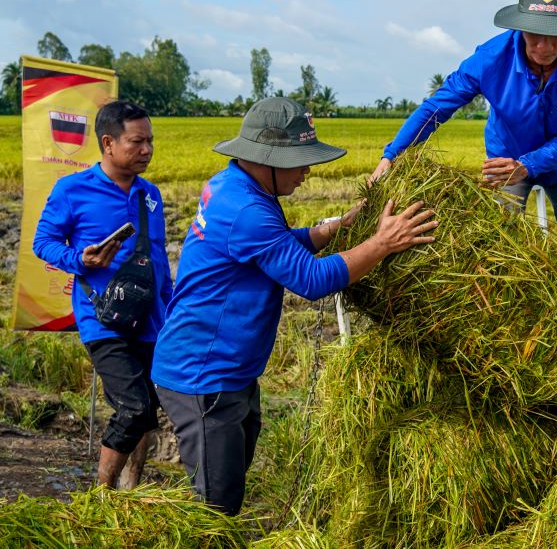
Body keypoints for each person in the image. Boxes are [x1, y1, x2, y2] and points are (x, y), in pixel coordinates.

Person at [151, 97, 437, 515]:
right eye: (299, 161)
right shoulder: (248, 209)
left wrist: (341, 226)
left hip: (229, 369)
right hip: (203, 375)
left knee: (229, 483)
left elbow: (275, 249)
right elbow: (311, 280)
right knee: (215, 507)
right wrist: (382, 243)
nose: (308, 171)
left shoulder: (235, 186)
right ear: (267, 158)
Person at [371, 0, 557, 253]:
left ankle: (556, 282)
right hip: (504, 161)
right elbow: (436, 108)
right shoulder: (490, 59)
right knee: (498, 243)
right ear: (520, 25)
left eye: (556, 35)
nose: (544, 46)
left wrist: (529, 165)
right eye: (535, 33)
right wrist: (392, 155)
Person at [33, 100, 173, 488]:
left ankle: (133, 487)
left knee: (148, 407)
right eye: (136, 142)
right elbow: (42, 242)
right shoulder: (72, 190)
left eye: (150, 141)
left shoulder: (151, 195)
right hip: (103, 320)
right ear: (108, 143)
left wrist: (171, 306)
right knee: (132, 408)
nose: (146, 150)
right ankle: (103, 493)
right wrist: (81, 259)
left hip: (150, 319)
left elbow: (158, 258)